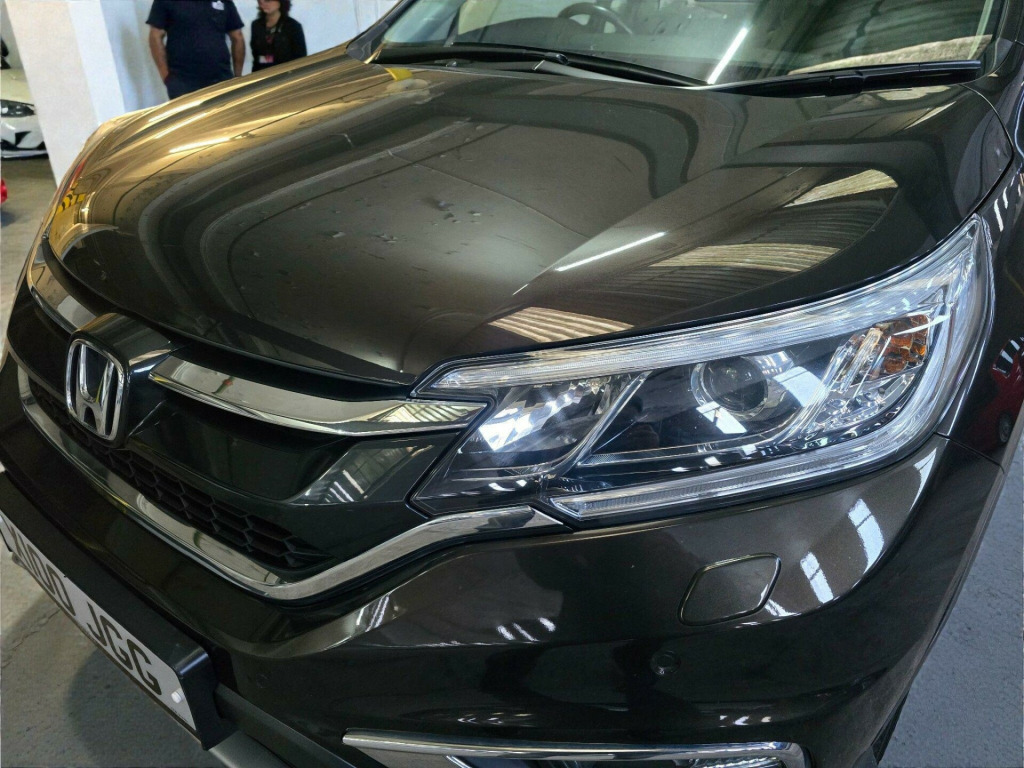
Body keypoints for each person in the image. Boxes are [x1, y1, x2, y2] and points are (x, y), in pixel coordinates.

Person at [147, 0, 245, 99]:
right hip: (183, 82)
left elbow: (237, 37)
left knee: (226, 109)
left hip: (222, 78)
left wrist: (237, 77)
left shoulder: (225, 2)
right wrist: (167, 78)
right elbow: (155, 36)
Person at [250, 0, 306, 73]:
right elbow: (256, 57)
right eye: (260, 1)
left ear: (280, 2)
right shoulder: (256, 25)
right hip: (262, 73)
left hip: (287, 74)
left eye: (267, 0)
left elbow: (301, 58)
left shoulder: (293, 26)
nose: (262, 3)